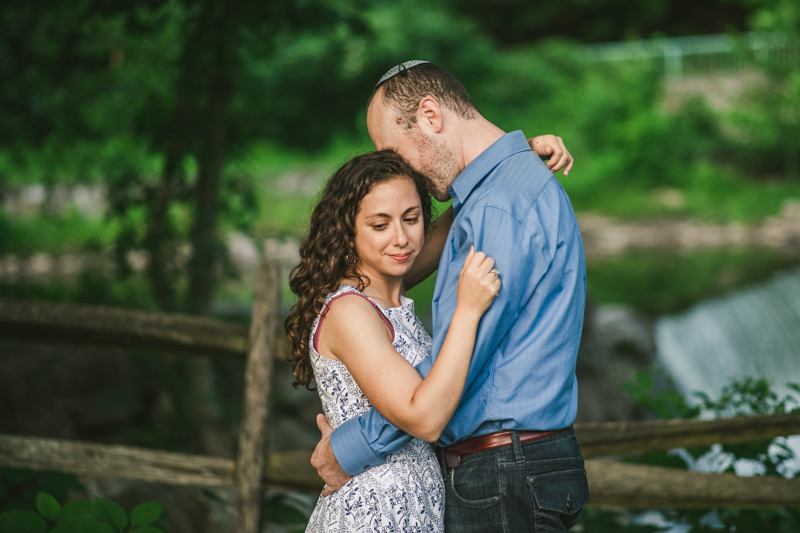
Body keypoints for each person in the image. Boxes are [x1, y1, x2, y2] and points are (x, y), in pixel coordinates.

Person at [310, 61, 589, 533]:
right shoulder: (490, 199)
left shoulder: (498, 209)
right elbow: (385, 266)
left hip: (505, 470)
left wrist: (349, 447)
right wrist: (516, 153)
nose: (396, 168)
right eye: (379, 223)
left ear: (430, 115)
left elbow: (439, 389)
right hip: (499, 471)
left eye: (393, 151)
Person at [286, 150, 501, 531]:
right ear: (348, 230)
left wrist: (515, 157)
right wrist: (467, 311)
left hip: (415, 509)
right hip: (373, 514)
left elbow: (464, 212)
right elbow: (425, 418)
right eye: (380, 225)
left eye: (412, 218)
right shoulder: (349, 310)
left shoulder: (387, 284)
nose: (401, 239)